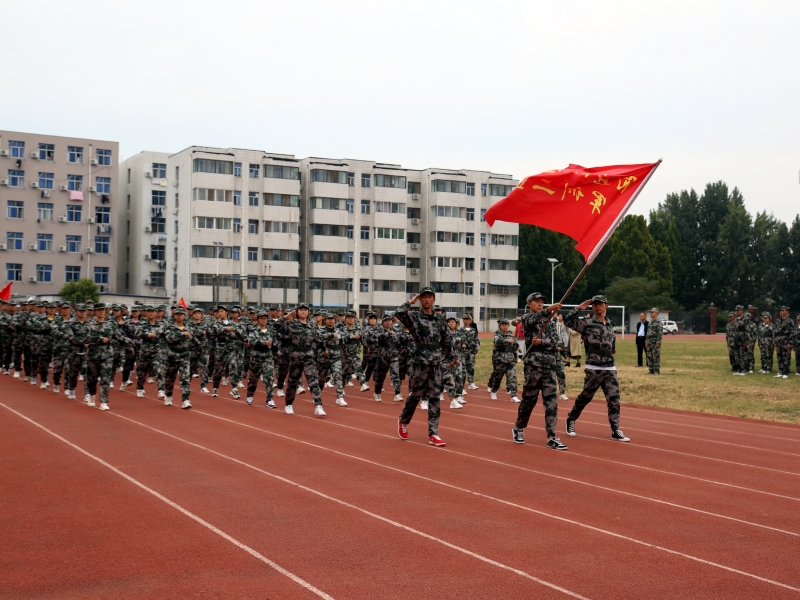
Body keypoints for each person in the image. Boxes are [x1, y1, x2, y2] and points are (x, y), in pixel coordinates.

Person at [563, 295, 630, 442]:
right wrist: (578, 309)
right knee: (586, 396)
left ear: (606, 305)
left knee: (614, 399)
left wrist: (613, 349)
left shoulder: (610, 324)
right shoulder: (586, 323)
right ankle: (571, 419)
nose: (597, 306)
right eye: (594, 304)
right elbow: (568, 322)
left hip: (610, 367)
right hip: (594, 366)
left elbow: (612, 342)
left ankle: (615, 429)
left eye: (600, 304)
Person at [396, 287, 453, 447]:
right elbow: (399, 313)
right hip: (419, 361)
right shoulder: (414, 316)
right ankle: (403, 420)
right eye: (424, 297)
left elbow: (446, 338)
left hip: (435, 361)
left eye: (430, 297)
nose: (427, 299)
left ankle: (433, 433)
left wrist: (449, 357)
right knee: (416, 395)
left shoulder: (440, 319)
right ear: (420, 299)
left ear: (434, 299)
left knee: (434, 396)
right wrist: (410, 302)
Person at [511, 292, 568, 450]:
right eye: (536, 301)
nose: (540, 303)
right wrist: (549, 310)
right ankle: (519, 427)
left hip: (549, 366)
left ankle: (551, 436)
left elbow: (557, 342)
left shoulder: (550, 321)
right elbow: (532, 321)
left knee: (551, 402)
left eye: (542, 301)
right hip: (534, 366)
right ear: (529, 304)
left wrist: (542, 341)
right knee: (529, 400)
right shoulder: (527, 318)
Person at [275, 303, 326, 416]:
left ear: (308, 312)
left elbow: (318, 339)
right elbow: (276, 327)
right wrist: (284, 318)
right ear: (297, 312)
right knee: (293, 382)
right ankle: (288, 404)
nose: (303, 312)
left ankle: (318, 405)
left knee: (313, 382)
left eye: (305, 310)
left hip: (309, 357)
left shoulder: (312, 325)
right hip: (295, 358)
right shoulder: (291, 324)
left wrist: (324, 349)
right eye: (301, 310)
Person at [162, 307, 200, 408]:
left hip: (185, 357)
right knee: (170, 378)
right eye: (177, 314)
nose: (179, 316)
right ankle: (168, 395)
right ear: (174, 316)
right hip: (172, 357)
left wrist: (201, 349)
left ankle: (185, 400)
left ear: (184, 316)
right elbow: (170, 338)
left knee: (185, 379)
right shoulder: (169, 328)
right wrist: (182, 334)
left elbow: (195, 340)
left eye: (181, 314)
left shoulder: (189, 328)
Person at [246, 310, 276, 408]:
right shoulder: (253, 330)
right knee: (253, 379)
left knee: (269, 378)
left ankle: (269, 399)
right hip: (256, 359)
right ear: (258, 320)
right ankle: (250, 395)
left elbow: (275, 344)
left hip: (267, 358)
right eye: (261, 318)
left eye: (265, 318)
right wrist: (264, 343)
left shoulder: (271, 331)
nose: (263, 320)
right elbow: (251, 342)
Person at [316, 312, 347, 406]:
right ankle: (317, 396)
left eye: (332, 319)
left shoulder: (338, 330)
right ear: (325, 320)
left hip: (336, 357)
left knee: (338, 375)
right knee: (321, 379)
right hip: (324, 357)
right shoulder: (321, 330)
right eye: (328, 319)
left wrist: (345, 352)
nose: (330, 320)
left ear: (335, 320)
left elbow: (341, 341)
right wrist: (331, 335)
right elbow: (319, 338)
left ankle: (340, 397)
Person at [487, 319, 520, 402]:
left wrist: (516, 354)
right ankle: (494, 391)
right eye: (503, 325)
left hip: (510, 359)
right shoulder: (497, 333)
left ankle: (513, 395)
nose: (505, 326)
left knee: (512, 377)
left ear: (508, 326)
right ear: (500, 326)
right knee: (498, 377)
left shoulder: (510, 334)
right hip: (500, 359)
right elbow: (497, 341)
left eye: (506, 325)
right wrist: (507, 340)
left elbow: (514, 345)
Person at [461, 314, 480, 390]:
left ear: (470, 320)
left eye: (467, 319)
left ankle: (471, 383)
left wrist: (476, 349)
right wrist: (460, 345)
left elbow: (477, 340)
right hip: (463, 352)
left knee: (471, 368)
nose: (466, 321)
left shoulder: (473, 330)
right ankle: (461, 385)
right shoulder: (460, 330)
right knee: (462, 369)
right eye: (464, 319)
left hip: (471, 351)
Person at [774, 306, 793, 379]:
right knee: (779, 356)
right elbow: (775, 331)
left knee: (786, 357)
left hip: (786, 340)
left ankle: (786, 372)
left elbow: (792, 332)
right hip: (778, 341)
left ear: (787, 311)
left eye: (783, 310)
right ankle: (780, 371)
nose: (781, 312)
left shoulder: (790, 321)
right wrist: (775, 341)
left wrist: (790, 342)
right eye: (780, 310)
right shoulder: (778, 321)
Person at [645, 308, 663, 375]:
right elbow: (648, 333)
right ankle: (651, 370)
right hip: (649, 342)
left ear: (656, 313)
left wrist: (658, 342)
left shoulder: (658, 322)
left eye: (652, 312)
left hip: (655, 342)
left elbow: (660, 333)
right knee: (649, 357)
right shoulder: (650, 322)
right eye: (650, 312)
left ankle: (656, 371)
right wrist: (646, 341)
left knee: (656, 357)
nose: (651, 314)